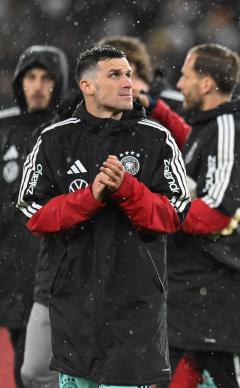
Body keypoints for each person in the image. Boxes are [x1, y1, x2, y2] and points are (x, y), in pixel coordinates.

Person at [16, 45, 190, 387]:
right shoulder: (54, 140)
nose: (128, 82)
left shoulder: (157, 139)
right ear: (88, 86)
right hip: (74, 307)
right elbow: (34, 214)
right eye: (116, 74)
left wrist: (128, 190)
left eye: (128, 74)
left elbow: (173, 215)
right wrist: (89, 198)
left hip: (135, 308)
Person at [166, 43, 240, 388]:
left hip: (218, 291)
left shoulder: (225, 127)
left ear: (206, 83)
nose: (179, 84)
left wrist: (155, 209)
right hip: (192, 288)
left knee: (238, 380)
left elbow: (217, 212)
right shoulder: (207, 128)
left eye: (186, 75)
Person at [0, 45, 68, 388]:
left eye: (47, 78)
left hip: (58, 266)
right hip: (11, 266)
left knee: (48, 365)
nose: (38, 85)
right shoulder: (4, 129)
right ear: (19, 82)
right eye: (31, 77)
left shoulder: (72, 131)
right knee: (24, 359)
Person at [97, 36, 191, 149]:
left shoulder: (177, 102)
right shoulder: (100, 105)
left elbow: (195, 148)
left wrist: (157, 110)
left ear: (131, 65)